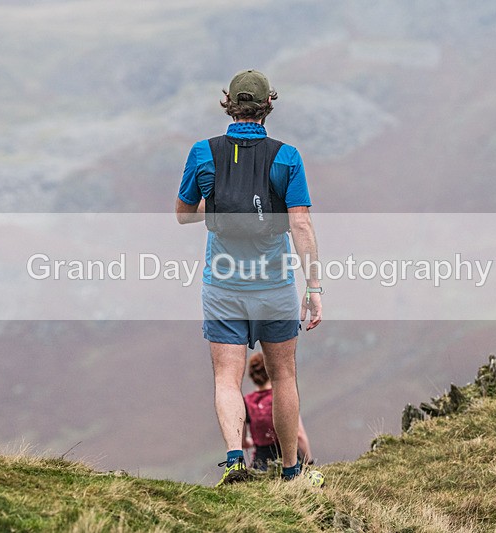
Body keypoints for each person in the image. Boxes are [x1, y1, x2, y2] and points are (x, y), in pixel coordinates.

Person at [175, 69, 322, 486]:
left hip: (222, 286)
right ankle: (293, 470)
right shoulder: (287, 157)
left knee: (227, 378)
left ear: (229, 105)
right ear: (267, 106)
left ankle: (236, 461)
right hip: (274, 287)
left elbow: (183, 215)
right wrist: (313, 288)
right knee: (284, 377)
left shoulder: (203, 153)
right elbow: (302, 226)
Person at [242, 352, 313, 470]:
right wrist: (309, 462)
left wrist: (254, 440)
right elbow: (299, 435)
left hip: (261, 466)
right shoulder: (282, 397)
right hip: (289, 461)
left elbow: (243, 443)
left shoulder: (247, 402)